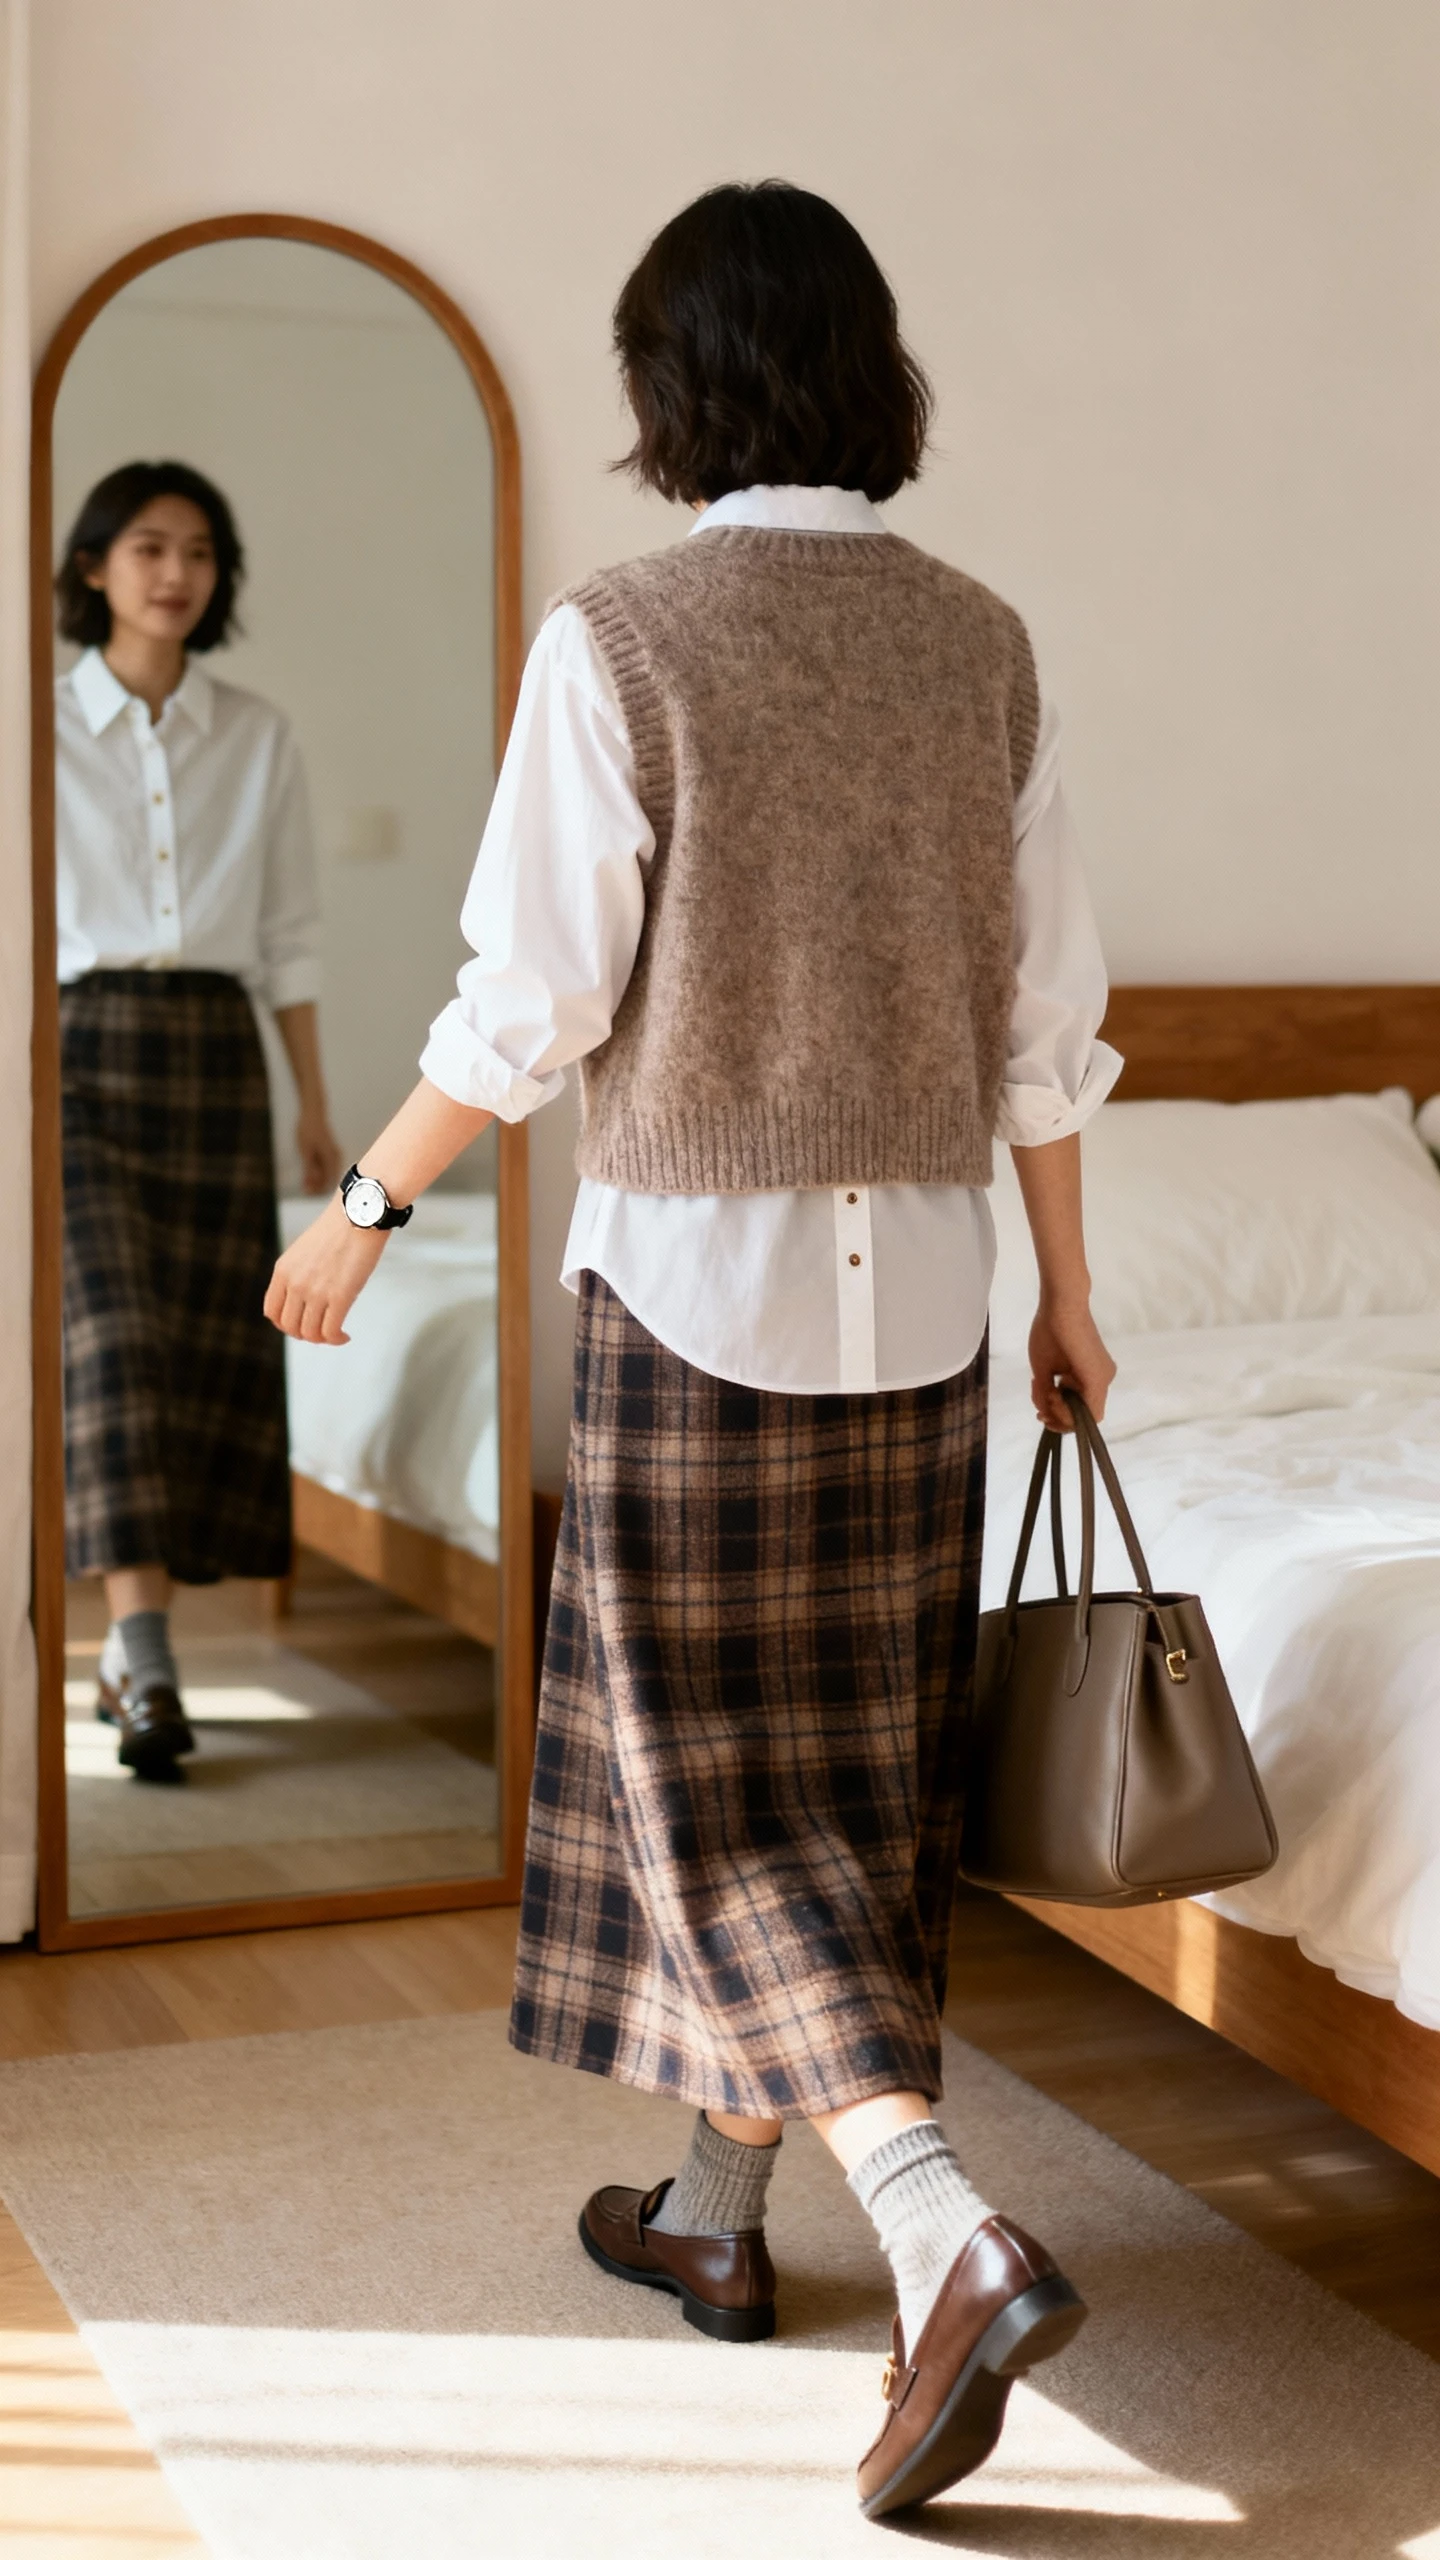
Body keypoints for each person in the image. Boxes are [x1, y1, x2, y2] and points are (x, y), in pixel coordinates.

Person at [267, 182, 1120, 2519]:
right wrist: (1066, 1286)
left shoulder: (623, 635)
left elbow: (531, 1005)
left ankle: (946, 2229)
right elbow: (1050, 1031)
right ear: (870, 365)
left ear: (672, 386)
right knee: (846, 1780)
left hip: (699, 1304)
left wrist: (365, 1201)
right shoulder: (986, 643)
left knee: (710, 1791)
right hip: (937, 1295)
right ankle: (716, 2221)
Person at [56, 460, 340, 1784]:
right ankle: (146, 1652)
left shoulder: (260, 734)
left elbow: (287, 941)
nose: (175, 573)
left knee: (205, 1351)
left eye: (200, 553)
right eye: (148, 546)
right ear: (96, 566)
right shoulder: (31, 725)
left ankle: (134, 1657)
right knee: (110, 1344)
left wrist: (319, 1113)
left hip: (217, 1058)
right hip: (72, 1056)